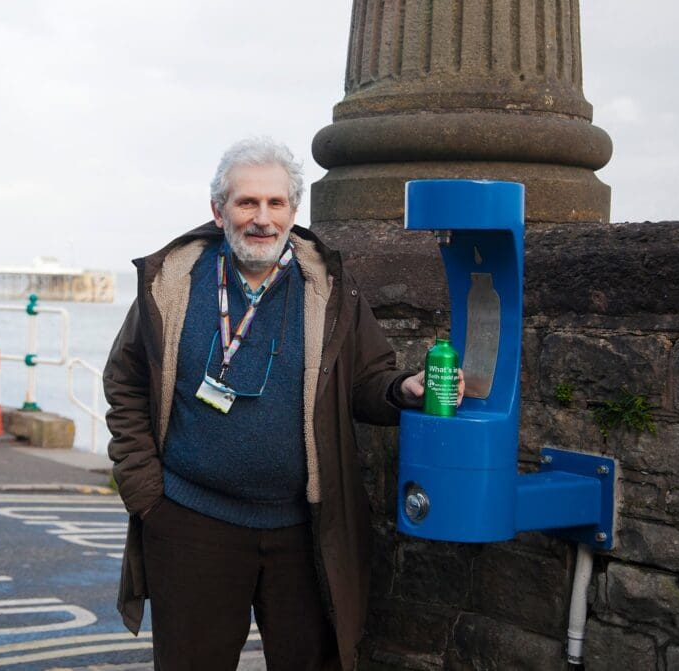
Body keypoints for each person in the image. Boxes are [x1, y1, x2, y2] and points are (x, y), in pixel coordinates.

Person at [104, 137, 463, 671]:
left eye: (276, 204)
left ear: (295, 211)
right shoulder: (173, 285)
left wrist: (401, 390)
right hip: (190, 524)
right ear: (218, 210)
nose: (262, 219)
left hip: (303, 530)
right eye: (247, 202)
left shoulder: (331, 288)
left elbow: (364, 380)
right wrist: (145, 492)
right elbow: (126, 381)